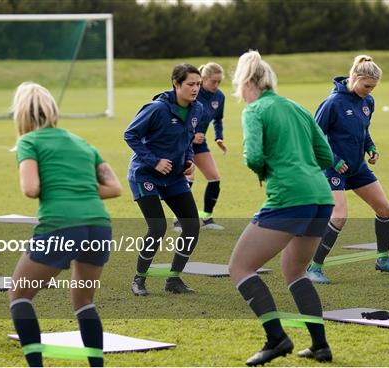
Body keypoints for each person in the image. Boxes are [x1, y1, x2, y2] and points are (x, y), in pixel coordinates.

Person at [228, 51, 335, 366]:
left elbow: (253, 156)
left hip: (289, 197)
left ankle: (277, 339)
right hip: (321, 197)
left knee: (240, 268)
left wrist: (265, 170)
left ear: (247, 83)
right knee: (295, 272)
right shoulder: (298, 107)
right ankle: (320, 346)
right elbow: (326, 155)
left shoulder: (255, 109)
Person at [8, 82, 122, 367]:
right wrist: (78, 188)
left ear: (21, 114)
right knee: (84, 300)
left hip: (60, 225)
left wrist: (61, 188)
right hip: (98, 226)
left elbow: (31, 188)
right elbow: (115, 188)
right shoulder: (82, 143)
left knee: (19, 295)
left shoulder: (29, 142)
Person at [306, 55, 389, 284]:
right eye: (366, 86)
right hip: (333, 169)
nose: (369, 91)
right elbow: (313, 137)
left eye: (373, 87)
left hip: (357, 167)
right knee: (340, 216)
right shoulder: (332, 103)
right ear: (354, 78)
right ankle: (314, 267)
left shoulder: (367, 101)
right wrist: (332, 160)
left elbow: (363, 130)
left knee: (384, 208)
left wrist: (370, 147)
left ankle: (383, 259)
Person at [124, 64, 202, 297]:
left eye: (198, 84)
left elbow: (188, 141)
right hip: (145, 174)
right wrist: (154, 161)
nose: (195, 88)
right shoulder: (156, 109)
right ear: (176, 84)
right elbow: (130, 134)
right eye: (190, 84)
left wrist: (188, 161)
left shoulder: (198, 109)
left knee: (191, 226)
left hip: (174, 177)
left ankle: (173, 279)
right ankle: (139, 279)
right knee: (158, 227)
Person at [176, 62, 227, 231]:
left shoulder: (219, 97)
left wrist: (219, 138)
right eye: (214, 81)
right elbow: (179, 120)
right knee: (187, 180)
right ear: (204, 79)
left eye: (219, 82)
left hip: (200, 144)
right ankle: (179, 220)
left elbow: (218, 119)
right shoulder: (192, 94)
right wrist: (192, 135)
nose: (216, 85)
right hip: (183, 143)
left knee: (214, 178)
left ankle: (206, 218)